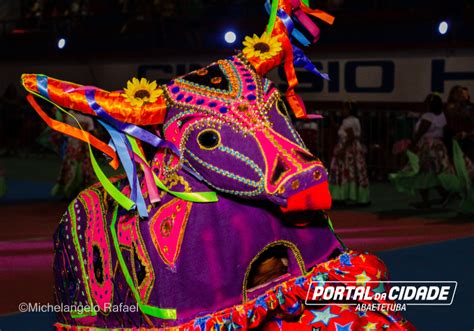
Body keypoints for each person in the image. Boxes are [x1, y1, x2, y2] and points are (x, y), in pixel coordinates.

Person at [390, 93, 452, 209]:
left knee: (422, 172)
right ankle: (444, 195)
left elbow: (420, 133)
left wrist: (412, 145)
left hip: (427, 147)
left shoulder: (428, 116)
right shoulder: (442, 115)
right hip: (438, 146)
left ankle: (428, 200)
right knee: (435, 173)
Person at [329, 100, 370, 204]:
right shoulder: (355, 120)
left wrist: (342, 150)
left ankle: (344, 195)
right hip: (355, 148)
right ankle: (356, 196)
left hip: (348, 149)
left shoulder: (348, 121)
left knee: (346, 170)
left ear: (349, 110)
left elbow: (350, 137)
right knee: (354, 172)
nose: (342, 111)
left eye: (344, 109)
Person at [51, 109, 96, 199]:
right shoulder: (88, 119)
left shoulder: (67, 117)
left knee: (70, 169)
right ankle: (82, 193)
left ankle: (67, 192)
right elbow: (93, 135)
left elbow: (58, 129)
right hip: (83, 148)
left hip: (72, 147)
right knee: (84, 170)